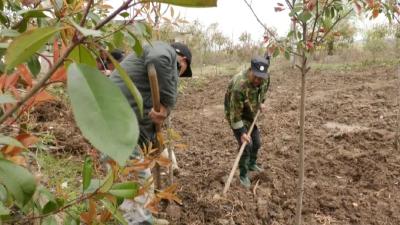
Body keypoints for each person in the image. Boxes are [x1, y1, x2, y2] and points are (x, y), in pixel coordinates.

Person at [109, 41, 192, 225]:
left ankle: (144, 217)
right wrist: (168, 103)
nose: (176, 75)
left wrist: (153, 144)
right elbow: (158, 58)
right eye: (180, 71)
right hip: (113, 120)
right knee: (139, 180)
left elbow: (145, 114)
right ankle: (141, 221)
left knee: (136, 179)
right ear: (183, 60)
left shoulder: (145, 72)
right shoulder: (165, 51)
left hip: (118, 120)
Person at [224, 56, 270, 188]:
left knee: (257, 142)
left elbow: (263, 91)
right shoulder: (240, 86)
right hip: (236, 115)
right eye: (255, 77)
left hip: (250, 112)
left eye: (260, 78)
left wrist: (261, 103)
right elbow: (235, 114)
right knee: (246, 146)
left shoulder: (264, 80)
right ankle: (243, 175)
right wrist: (241, 132)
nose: (257, 81)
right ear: (250, 70)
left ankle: (251, 164)